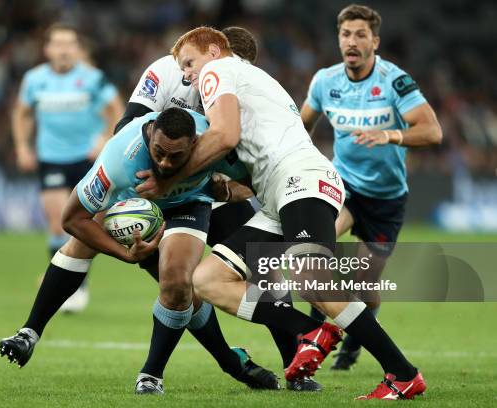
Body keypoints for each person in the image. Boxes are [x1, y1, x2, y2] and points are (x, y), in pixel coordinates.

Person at [137, 26, 426, 400]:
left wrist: (167, 178)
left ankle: (402, 373)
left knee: (312, 279)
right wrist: (220, 187)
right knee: (208, 279)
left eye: (189, 63)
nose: (187, 74)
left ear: (212, 51)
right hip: (278, 192)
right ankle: (310, 331)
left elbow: (224, 135)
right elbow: (246, 166)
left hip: (300, 179)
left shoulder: (219, 71)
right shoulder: (252, 80)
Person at [0, 108, 280, 395]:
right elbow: (72, 218)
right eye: (159, 152)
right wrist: (126, 254)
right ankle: (28, 334)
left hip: (190, 202)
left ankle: (152, 375)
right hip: (133, 202)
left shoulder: (214, 140)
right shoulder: (120, 158)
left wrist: (228, 190)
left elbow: (258, 181)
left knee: (181, 281)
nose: (165, 162)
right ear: (149, 134)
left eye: (176, 156)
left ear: (195, 145)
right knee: (81, 244)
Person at [115, 27, 318, 391]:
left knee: (265, 268)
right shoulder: (166, 71)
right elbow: (125, 129)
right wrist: (164, 177)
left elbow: (243, 160)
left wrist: (234, 187)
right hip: (165, 192)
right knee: (178, 283)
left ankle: (295, 368)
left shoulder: (235, 91)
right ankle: (165, 371)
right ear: (215, 54)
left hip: (211, 192)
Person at [301, 4, 442, 370]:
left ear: (374, 41)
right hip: (343, 185)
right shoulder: (324, 82)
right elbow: (301, 128)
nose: (352, 41)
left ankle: (357, 336)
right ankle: (312, 338)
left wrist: (390, 134)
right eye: (346, 34)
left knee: (364, 285)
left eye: (360, 34)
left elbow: (432, 131)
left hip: (386, 198)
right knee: (314, 253)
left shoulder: (395, 81)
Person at [12, 22, 124, 312]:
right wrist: (23, 146)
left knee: (85, 225)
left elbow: (118, 111)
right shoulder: (34, 79)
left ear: (77, 49)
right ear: (48, 49)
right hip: (51, 157)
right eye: (58, 44)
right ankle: (69, 289)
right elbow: (22, 113)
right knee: (57, 223)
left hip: (88, 159)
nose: (63, 49)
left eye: (69, 43)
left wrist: (105, 138)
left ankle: (77, 286)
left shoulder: (93, 79)